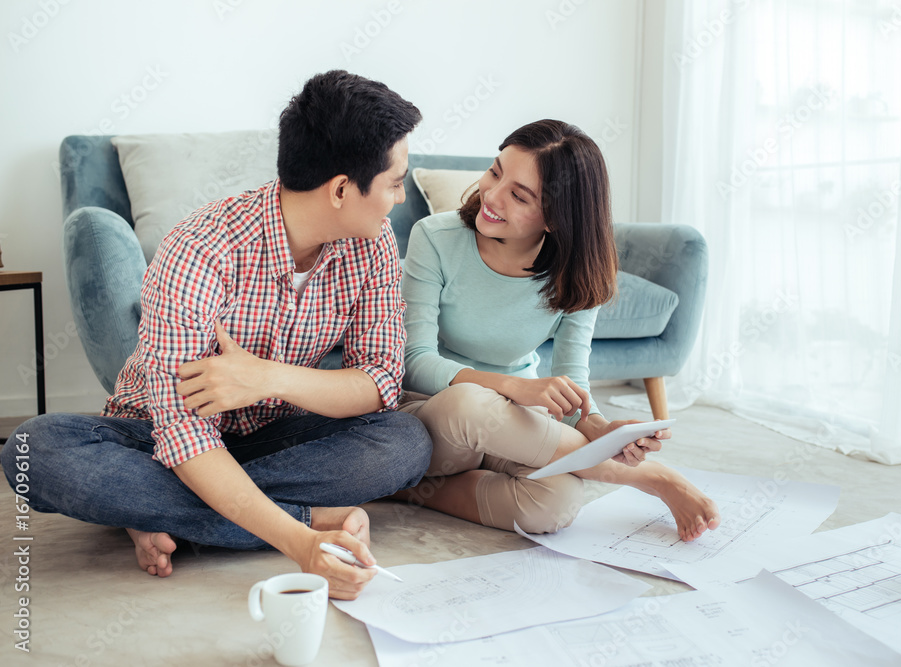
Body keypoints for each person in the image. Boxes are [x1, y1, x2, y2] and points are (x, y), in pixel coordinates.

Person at [1, 70, 431, 600]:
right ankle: (300, 511)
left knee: (404, 442)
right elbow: (181, 434)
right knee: (32, 449)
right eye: (394, 181)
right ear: (342, 188)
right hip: (157, 437)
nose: (400, 197)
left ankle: (160, 511)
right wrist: (301, 538)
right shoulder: (201, 247)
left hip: (271, 436)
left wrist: (264, 378)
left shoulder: (372, 244)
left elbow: (381, 379)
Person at [394, 119, 720, 539]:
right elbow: (414, 361)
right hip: (435, 418)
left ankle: (409, 490)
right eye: (495, 171)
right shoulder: (435, 237)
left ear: (554, 218)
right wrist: (511, 387)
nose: (490, 196)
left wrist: (601, 429)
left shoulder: (578, 275)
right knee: (469, 403)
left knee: (556, 503)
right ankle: (652, 479)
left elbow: (572, 382)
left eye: (519, 195)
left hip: (517, 425)